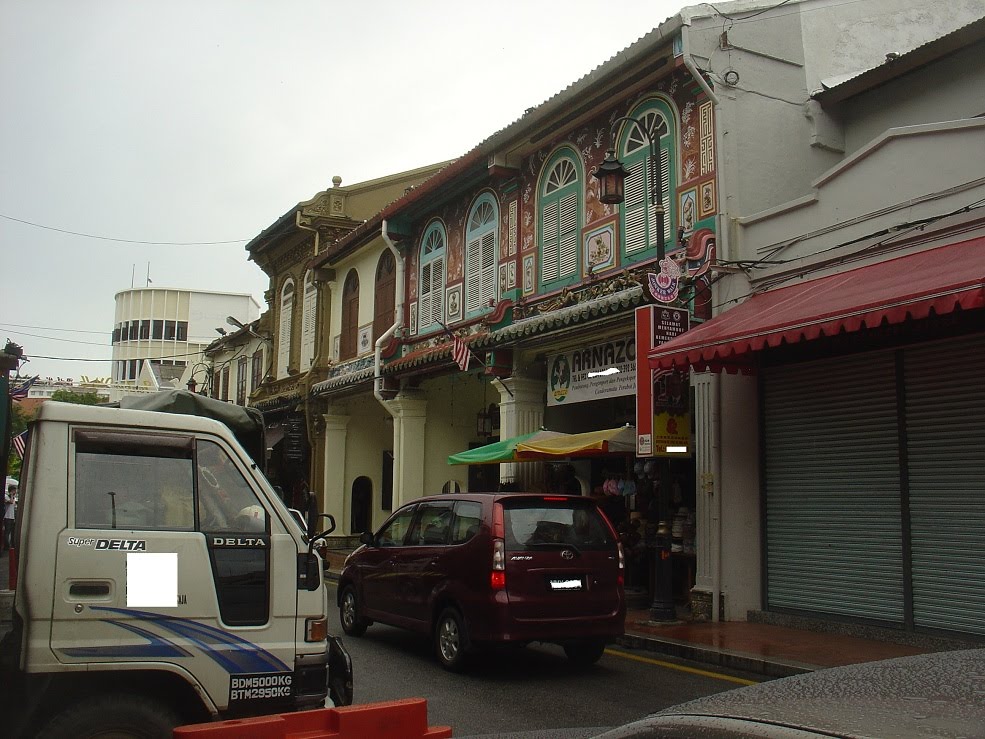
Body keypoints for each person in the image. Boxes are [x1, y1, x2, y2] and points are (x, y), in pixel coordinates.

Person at [3, 481, 17, 551]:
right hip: (7, 517)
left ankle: (11, 545)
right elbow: (10, 502)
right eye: (14, 490)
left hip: (12, 517)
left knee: (12, 532)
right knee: (7, 532)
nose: (15, 492)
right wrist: (11, 495)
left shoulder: (14, 498)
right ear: (11, 491)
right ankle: (6, 546)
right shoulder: (6, 497)